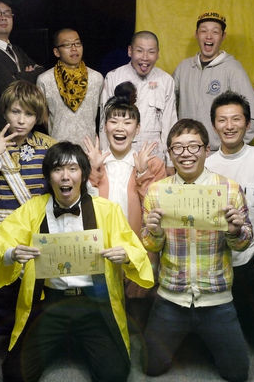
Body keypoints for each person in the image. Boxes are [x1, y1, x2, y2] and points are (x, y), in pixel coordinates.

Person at [0, 142, 154, 382]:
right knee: (15, 375)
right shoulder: (34, 209)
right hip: (49, 303)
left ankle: (77, 342)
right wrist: (12, 253)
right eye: (57, 169)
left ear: (83, 175)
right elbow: (4, 236)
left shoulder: (107, 210)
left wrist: (126, 255)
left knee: (114, 374)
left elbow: (132, 245)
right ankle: (66, 342)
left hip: (93, 302)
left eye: (72, 169)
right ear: (49, 176)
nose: (65, 176)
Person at [141, 119, 253, 382]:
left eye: (193, 146)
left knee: (237, 374)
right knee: (150, 366)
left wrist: (235, 231)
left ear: (206, 150)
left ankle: (207, 340)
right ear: (170, 153)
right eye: (178, 148)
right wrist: (154, 231)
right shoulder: (157, 191)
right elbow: (150, 245)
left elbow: (244, 242)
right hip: (171, 297)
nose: (186, 154)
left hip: (216, 297)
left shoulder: (228, 189)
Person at [0, 80, 55, 334]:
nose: (21, 120)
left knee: (37, 285)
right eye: (15, 112)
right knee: (2, 286)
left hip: (36, 228)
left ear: (37, 117)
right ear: (5, 111)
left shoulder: (48, 146)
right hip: (0, 228)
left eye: (29, 114)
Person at [205, 91, 254, 348]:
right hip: (219, 258)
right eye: (222, 120)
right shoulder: (207, 165)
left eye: (236, 119)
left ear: (248, 123)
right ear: (214, 125)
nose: (229, 126)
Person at [84, 86, 166, 329]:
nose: (120, 127)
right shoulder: (92, 162)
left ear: (137, 129)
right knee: (101, 320)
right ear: (105, 127)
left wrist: (142, 173)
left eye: (128, 122)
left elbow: (156, 211)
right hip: (100, 250)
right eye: (113, 121)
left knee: (137, 319)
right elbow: (83, 208)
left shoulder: (152, 164)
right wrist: (93, 172)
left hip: (138, 250)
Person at [172, 11, 254, 151]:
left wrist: (230, 150)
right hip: (186, 151)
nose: (209, 36)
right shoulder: (183, 68)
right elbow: (168, 106)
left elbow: (252, 115)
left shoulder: (233, 69)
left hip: (218, 153)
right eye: (204, 31)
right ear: (196, 34)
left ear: (223, 36)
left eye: (215, 32)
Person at [99, 31, 177, 168]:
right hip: (120, 158)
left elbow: (170, 124)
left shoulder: (166, 81)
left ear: (158, 54)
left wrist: (170, 162)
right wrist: (104, 159)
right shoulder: (114, 77)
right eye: (139, 51)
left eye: (151, 52)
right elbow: (104, 123)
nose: (145, 57)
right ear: (130, 51)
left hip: (154, 158)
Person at [36, 28, 103, 145]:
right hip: (58, 146)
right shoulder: (45, 80)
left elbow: (102, 114)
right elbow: (42, 114)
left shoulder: (96, 78)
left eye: (77, 43)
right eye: (67, 45)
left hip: (89, 147)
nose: (74, 48)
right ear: (56, 52)